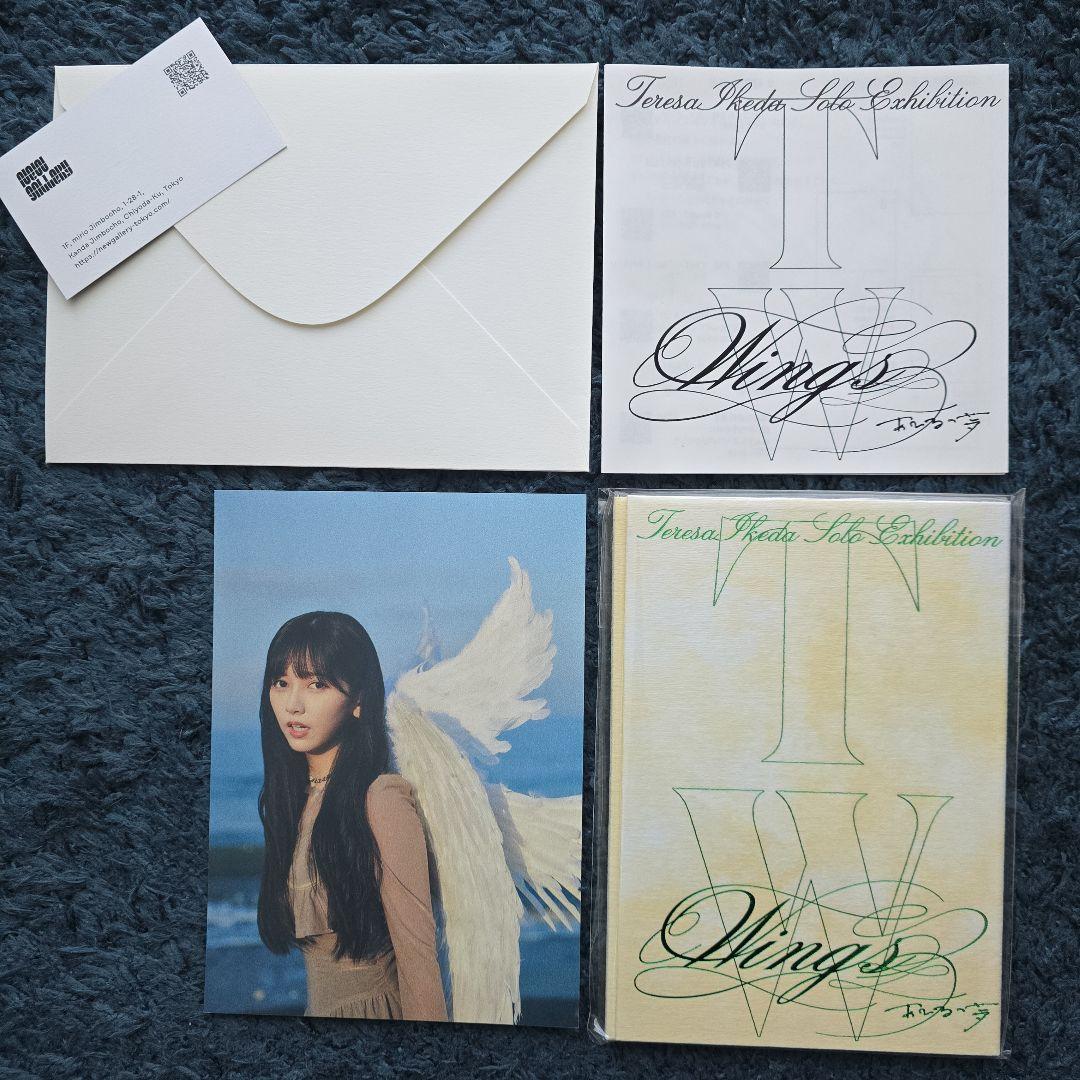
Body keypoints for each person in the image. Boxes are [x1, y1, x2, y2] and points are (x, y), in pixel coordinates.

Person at [255, 611, 447, 1022]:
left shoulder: (380, 799)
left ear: (358, 700)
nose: (293, 704)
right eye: (281, 682)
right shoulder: (291, 802)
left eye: (316, 684)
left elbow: (419, 962)